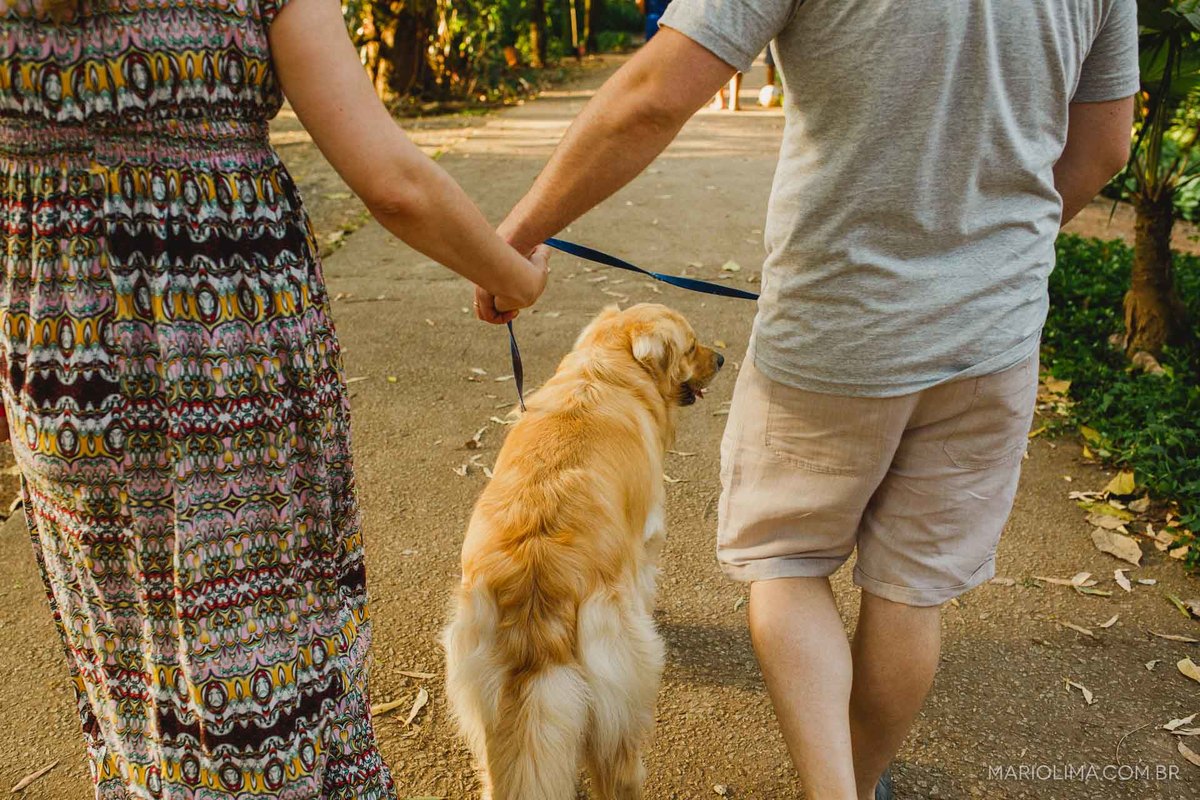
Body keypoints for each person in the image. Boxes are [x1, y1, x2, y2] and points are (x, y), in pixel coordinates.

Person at [475, 1, 1137, 798]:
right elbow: (1105, 145)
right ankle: (863, 779)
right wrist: (990, 253)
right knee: (910, 591)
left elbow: (654, 96)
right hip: (992, 336)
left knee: (787, 562)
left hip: (834, 329)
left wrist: (514, 239)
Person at [1, 0, 546, 797]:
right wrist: (514, 275)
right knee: (261, 647)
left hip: (59, 362)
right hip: (227, 360)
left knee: (134, 657)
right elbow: (393, 184)